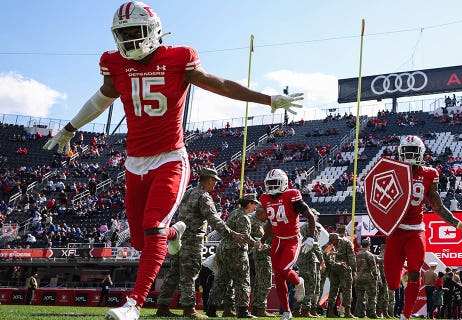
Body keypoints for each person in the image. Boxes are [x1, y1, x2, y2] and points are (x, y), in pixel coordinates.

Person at [42, 3, 303, 320]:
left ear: (152, 31)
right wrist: (70, 129)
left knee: (152, 228)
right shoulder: (114, 62)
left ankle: (133, 304)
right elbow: (102, 97)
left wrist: (269, 99)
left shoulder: (178, 58)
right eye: (121, 34)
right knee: (139, 241)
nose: (127, 40)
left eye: (133, 32)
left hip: (169, 158)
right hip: (134, 162)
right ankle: (175, 234)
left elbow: (218, 83)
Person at [382, 135, 462, 320]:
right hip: (396, 231)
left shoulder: (429, 173)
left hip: (415, 229)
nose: (411, 156)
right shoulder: (391, 171)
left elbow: (438, 207)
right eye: (408, 152)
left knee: (415, 272)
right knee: (392, 283)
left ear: (421, 154)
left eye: (415, 152)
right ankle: (402, 269)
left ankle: (405, 315)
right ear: (400, 153)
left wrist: (461, 226)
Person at [156, 167, 245, 318]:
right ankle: (189, 309)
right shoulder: (204, 196)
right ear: (209, 180)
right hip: (193, 239)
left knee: (174, 273)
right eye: (215, 182)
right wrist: (232, 234)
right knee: (190, 273)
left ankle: (162, 306)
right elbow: (214, 219)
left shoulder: (190, 192)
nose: (215, 185)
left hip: (180, 237)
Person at [259, 168, 316, 320]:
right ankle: (286, 311)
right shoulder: (264, 198)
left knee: (284, 270)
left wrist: (311, 237)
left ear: (283, 182)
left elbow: (310, 216)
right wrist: (263, 239)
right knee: (278, 277)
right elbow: (272, 222)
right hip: (277, 240)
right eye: (269, 183)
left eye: (274, 183)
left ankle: (298, 281)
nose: (271, 186)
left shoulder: (292, 195)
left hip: (292, 239)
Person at [209, 193, 261, 319]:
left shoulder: (234, 213)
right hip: (236, 252)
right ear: (249, 204)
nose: (255, 207)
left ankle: (211, 310)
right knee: (243, 280)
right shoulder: (243, 217)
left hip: (224, 250)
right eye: (254, 204)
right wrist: (255, 243)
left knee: (221, 280)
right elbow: (244, 236)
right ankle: (243, 311)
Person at [293, 208, 323, 317]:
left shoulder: (302, 227)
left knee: (301, 285)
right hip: (310, 260)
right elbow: (315, 246)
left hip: (302, 260)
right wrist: (322, 261)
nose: (317, 218)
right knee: (310, 286)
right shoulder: (311, 227)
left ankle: (297, 310)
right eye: (316, 216)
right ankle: (306, 310)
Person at [249, 204, 275, 317]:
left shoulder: (265, 224)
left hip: (260, 254)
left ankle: (255, 308)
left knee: (259, 283)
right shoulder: (266, 225)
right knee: (265, 282)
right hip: (263, 254)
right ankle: (261, 309)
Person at [327, 224, 357, 318]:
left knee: (333, 290)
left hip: (333, 268)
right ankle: (347, 312)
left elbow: (326, 252)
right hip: (344, 268)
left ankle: (330, 312)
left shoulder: (332, 241)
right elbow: (351, 258)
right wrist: (354, 270)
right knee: (347, 290)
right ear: (345, 231)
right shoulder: (347, 242)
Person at [354, 237, 380, 318]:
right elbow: (374, 268)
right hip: (368, 279)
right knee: (372, 296)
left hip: (358, 278)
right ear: (368, 245)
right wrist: (376, 277)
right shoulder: (369, 255)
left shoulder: (357, 254)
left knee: (360, 297)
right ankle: (372, 313)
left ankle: (361, 314)